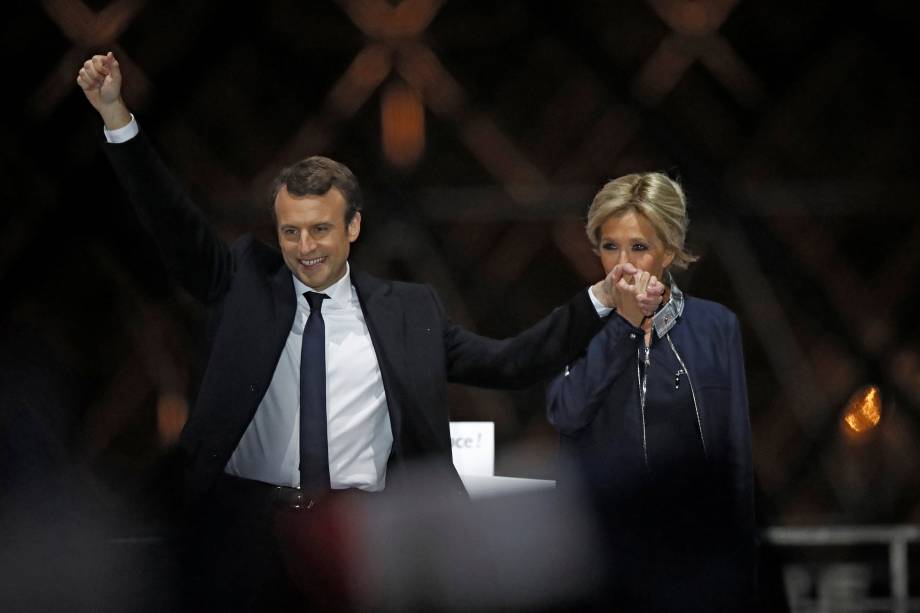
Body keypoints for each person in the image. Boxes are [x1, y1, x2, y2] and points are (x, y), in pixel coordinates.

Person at [75, 52, 656, 610]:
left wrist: (601, 298)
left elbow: (512, 363)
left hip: (369, 546)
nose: (304, 248)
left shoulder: (410, 311)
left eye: (320, 230)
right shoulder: (243, 283)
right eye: (291, 232)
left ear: (353, 226)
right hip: (253, 543)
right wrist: (116, 118)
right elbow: (173, 224)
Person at [546, 173, 755, 611]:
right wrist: (621, 324)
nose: (623, 263)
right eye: (610, 246)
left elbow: (734, 454)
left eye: (639, 247)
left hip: (694, 555)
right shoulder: (576, 325)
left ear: (669, 251)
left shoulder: (716, 326)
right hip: (603, 557)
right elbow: (566, 413)